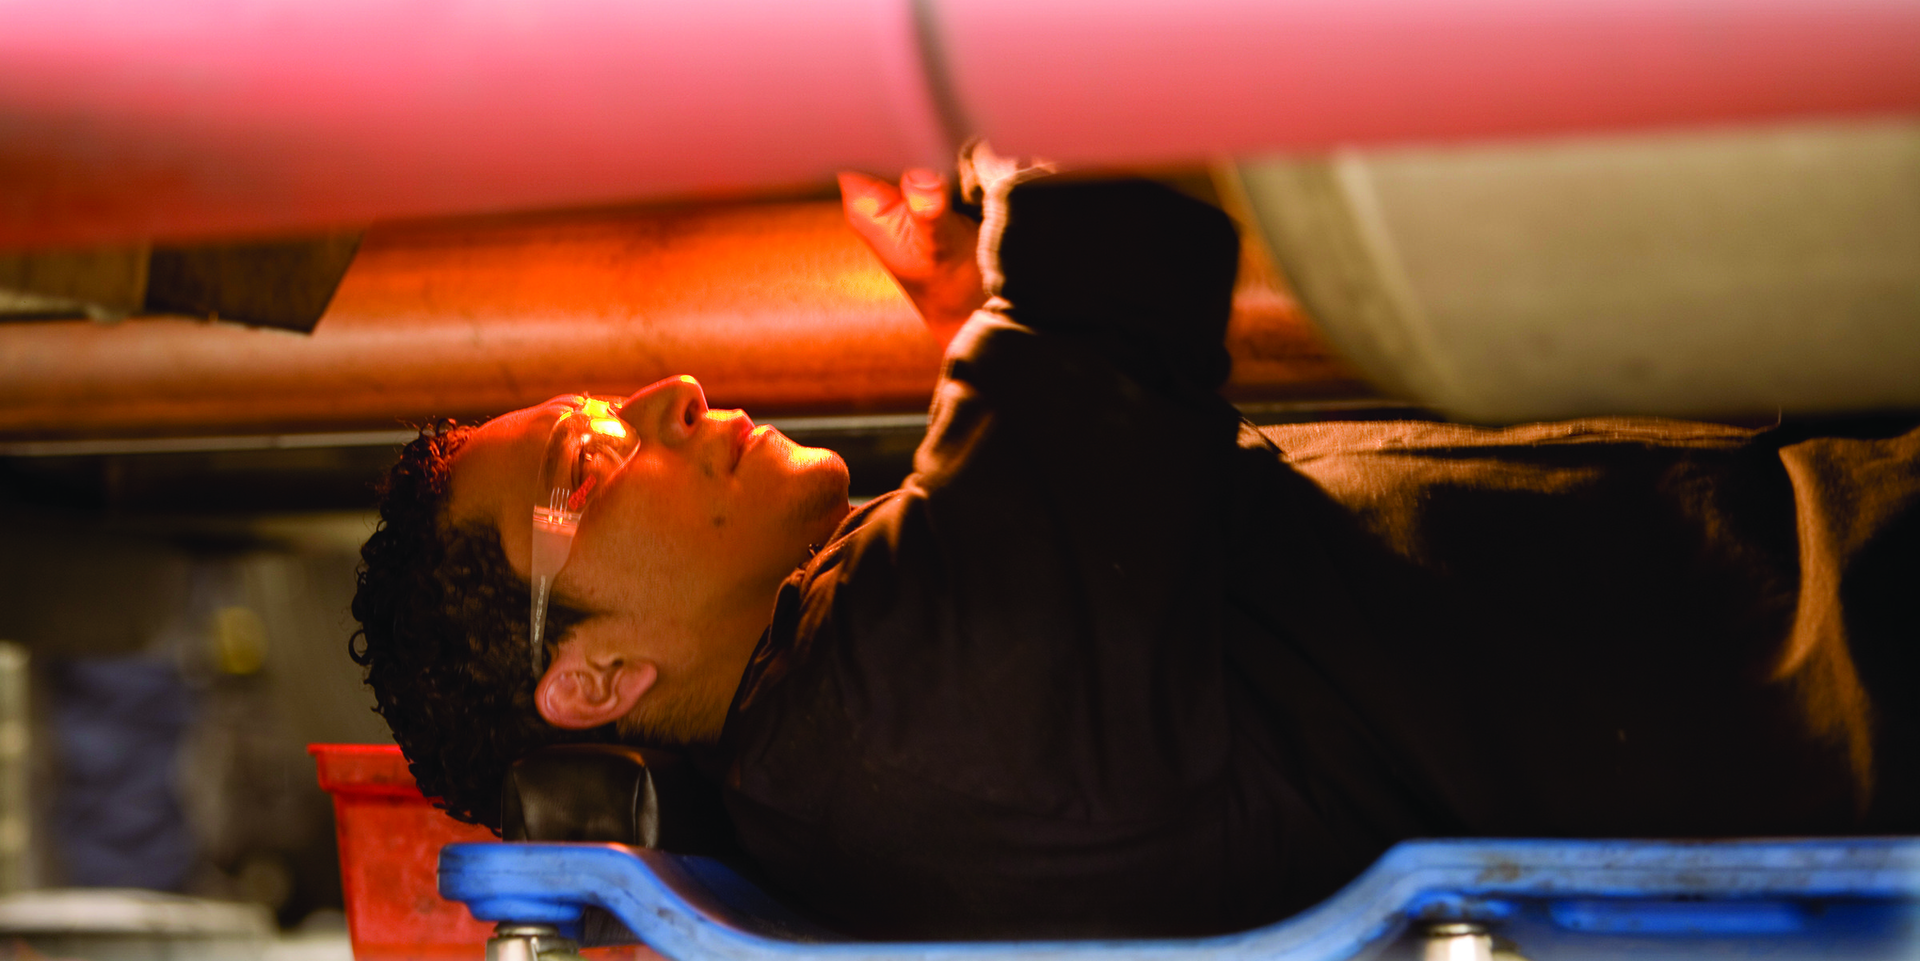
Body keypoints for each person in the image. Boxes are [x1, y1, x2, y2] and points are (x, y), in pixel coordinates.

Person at [351, 158, 1920, 940]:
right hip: (1856, 647)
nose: (668, 392)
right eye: (589, 462)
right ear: (597, 678)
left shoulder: (846, 741)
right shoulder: (910, 704)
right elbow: (1115, 182)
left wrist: (969, 288)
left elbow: (1069, 544)